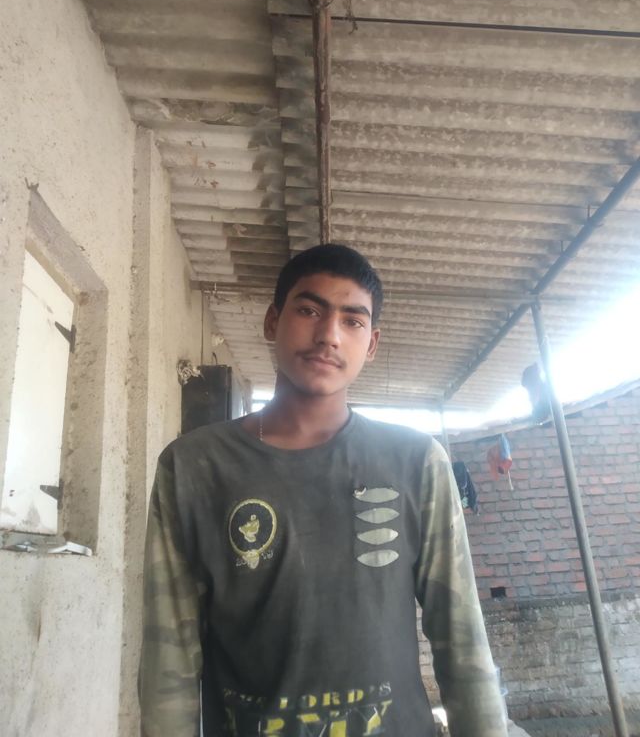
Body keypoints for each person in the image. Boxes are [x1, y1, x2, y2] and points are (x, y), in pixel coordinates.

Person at [139, 244, 508, 737]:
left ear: (371, 344)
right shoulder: (193, 467)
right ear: (272, 321)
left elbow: (461, 638)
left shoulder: (416, 462)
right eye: (310, 310)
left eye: (352, 321)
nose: (329, 335)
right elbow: (169, 657)